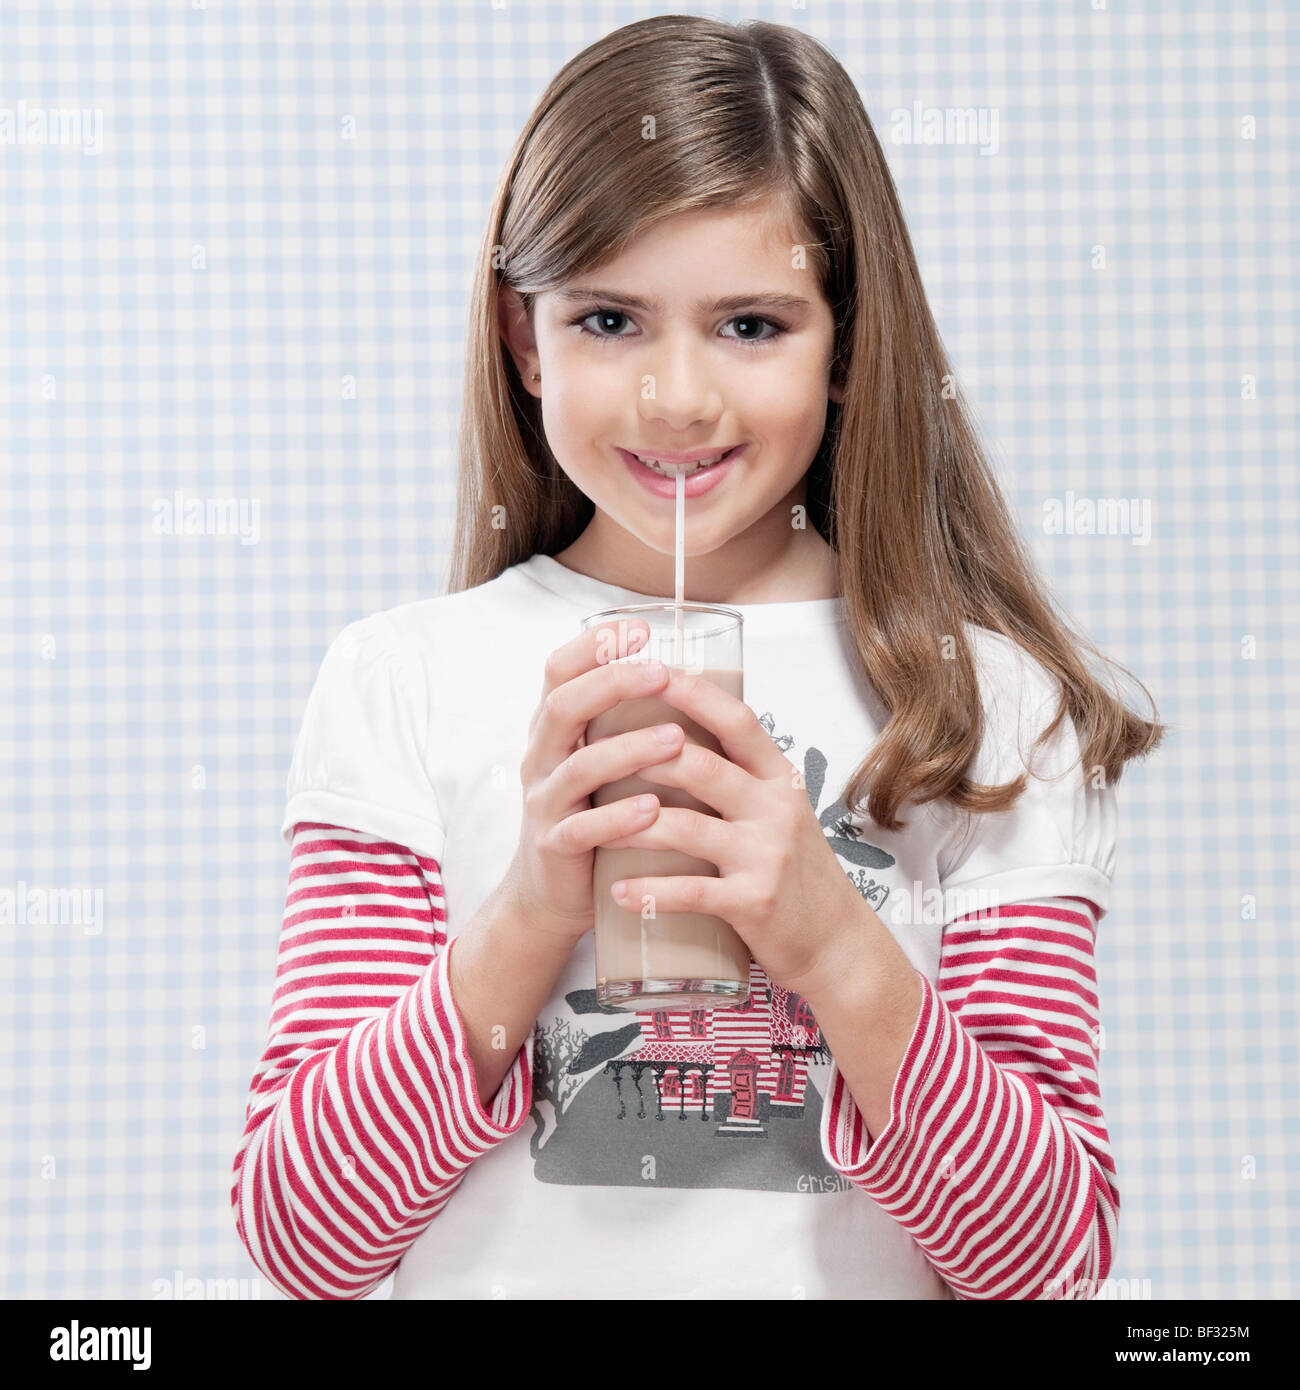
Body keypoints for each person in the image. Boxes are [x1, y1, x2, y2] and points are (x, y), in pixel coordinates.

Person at [230, 14, 1164, 1300]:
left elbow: (1049, 1265)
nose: (677, 397)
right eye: (608, 318)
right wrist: (529, 911)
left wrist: (832, 940)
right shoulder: (403, 683)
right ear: (522, 336)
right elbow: (302, 1241)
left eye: (751, 325)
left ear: (847, 341)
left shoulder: (986, 712)